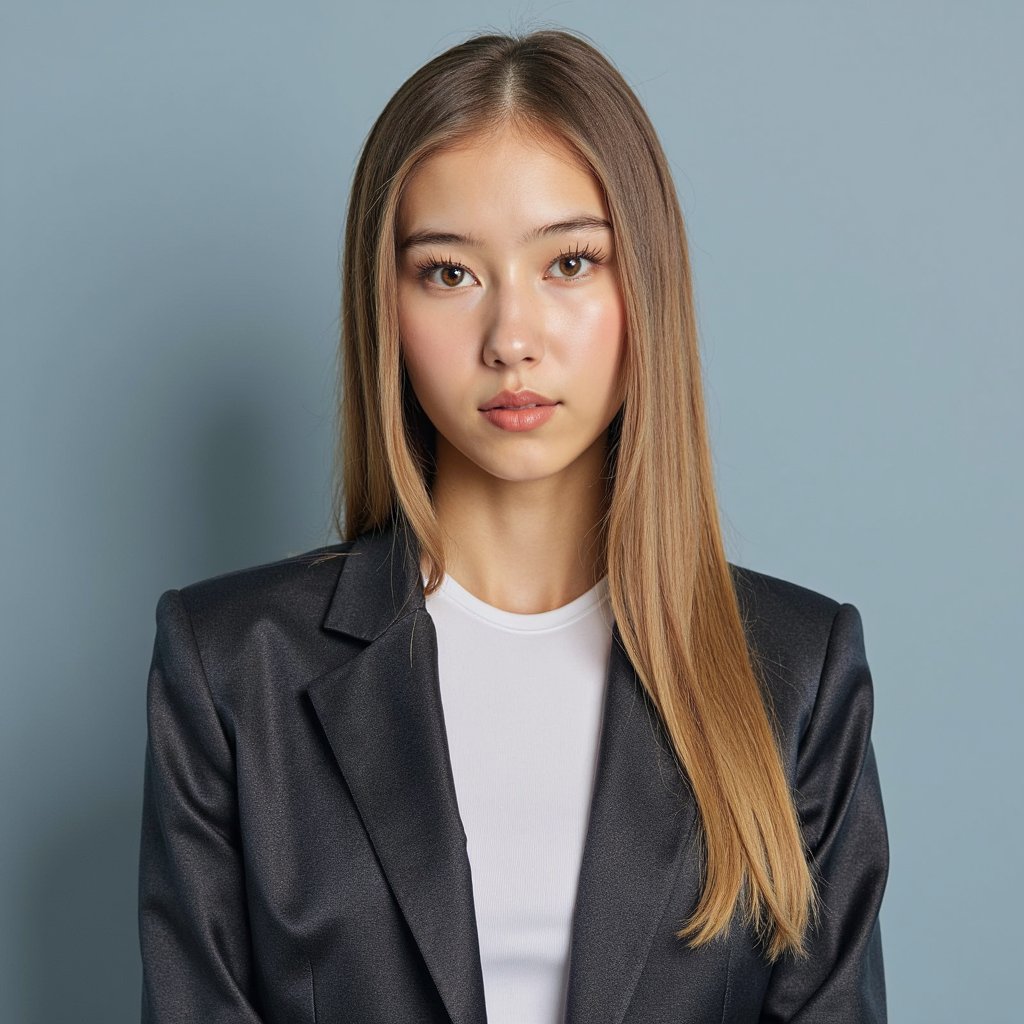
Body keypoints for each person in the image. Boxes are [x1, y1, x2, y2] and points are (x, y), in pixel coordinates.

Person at [137, 27, 889, 1024]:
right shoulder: (233, 667)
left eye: (569, 262)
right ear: (386, 307)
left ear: (644, 289)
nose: (511, 339)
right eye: (449, 273)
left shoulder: (794, 672)